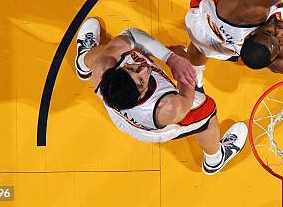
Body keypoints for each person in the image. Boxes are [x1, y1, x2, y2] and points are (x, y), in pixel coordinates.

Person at [74, 18, 247, 175]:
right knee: (206, 112)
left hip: (120, 109)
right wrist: (184, 62)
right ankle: (215, 159)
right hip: (152, 127)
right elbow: (186, 95)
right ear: (140, 94)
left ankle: (82, 61)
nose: (142, 68)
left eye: (132, 69)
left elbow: (132, 34)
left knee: (103, 54)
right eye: (141, 80)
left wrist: (170, 58)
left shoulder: (103, 69)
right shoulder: (168, 108)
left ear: (118, 70)